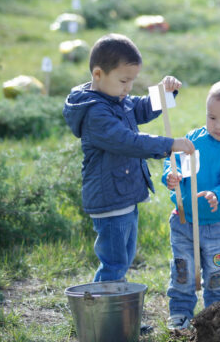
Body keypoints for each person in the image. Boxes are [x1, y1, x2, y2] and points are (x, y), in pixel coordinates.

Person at [63, 33, 196, 286]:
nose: (128, 88)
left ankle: (118, 316)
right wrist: (169, 145)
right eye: (124, 80)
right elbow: (128, 141)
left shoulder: (116, 99)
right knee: (114, 263)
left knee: (123, 258)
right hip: (110, 200)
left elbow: (141, 108)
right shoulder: (96, 113)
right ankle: (103, 318)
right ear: (98, 74)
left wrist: (165, 93)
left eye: (132, 81)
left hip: (123, 194)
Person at [162, 79, 220, 331]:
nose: (217, 125)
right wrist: (170, 176)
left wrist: (219, 194)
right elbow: (173, 161)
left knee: (216, 273)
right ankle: (180, 313)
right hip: (184, 219)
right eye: (211, 117)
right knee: (183, 270)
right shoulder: (194, 139)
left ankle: (217, 316)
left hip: (218, 225)